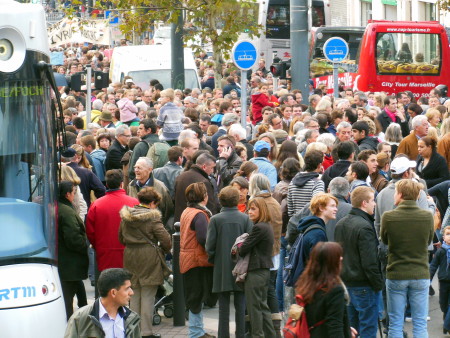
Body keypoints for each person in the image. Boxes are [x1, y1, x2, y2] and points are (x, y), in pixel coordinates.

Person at [380, 179, 434, 337]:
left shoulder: (388, 217)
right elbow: (429, 239)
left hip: (396, 272)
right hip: (420, 273)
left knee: (396, 322)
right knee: (420, 322)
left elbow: (384, 240)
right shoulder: (426, 216)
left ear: (401, 194)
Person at [119, 187, 171, 338]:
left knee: (133, 293)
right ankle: (146, 331)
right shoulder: (153, 217)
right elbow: (166, 240)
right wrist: (164, 249)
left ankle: (134, 330)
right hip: (149, 256)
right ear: (153, 203)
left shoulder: (126, 216)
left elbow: (121, 238)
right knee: (148, 293)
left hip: (130, 255)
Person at [334, 186, 383, 337]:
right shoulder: (364, 227)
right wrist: (378, 284)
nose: (374, 204)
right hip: (363, 285)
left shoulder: (340, 224)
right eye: (372, 200)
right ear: (364, 203)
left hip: (345, 282)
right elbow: (369, 262)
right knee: (368, 327)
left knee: (350, 329)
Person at [205, 186, 253, 338]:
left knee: (223, 307)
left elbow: (209, 246)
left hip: (221, 265)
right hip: (241, 266)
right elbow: (250, 242)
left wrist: (214, 259)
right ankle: (240, 335)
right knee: (240, 304)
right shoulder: (245, 218)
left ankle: (223, 335)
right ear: (237, 199)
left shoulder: (215, 219)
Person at [86, 170, 139, 282]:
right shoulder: (134, 203)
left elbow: (90, 232)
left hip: (105, 252)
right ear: (121, 184)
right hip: (129, 252)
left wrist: (97, 246)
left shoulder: (96, 205)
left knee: (109, 286)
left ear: (107, 184)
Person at [179, 182, 216, 338]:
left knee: (195, 297)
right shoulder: (200, 214)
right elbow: (202, 237)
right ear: (204, 196)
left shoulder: (187, 210)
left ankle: (198, 330)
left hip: (188, 259)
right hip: (196, 261)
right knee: (196, 297)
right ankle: (195, 333)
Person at [295, 242, 354, 338]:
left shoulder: (306, 284)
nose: (341, 258)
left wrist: (346, 329)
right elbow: (335, 327)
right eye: (338, 256)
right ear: (331, 262)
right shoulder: (335, 290)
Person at [238, 197, 277, 337]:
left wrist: (240, 244)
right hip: (264, 271)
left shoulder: (259, 228)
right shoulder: (266, 226)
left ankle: (258, 335)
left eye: (253, 209)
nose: (249, 212)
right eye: (249, 208)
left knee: (254, 308)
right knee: (262, 307)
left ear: (262, 210)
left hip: (256, 272)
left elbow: (242, 250)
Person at [64, 268, 141, 338]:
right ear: (113, 292)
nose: (131, 292)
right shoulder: (80, 318)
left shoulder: (131, 318)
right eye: (127, 288)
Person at [57, 181, 89, 320]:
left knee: (76, 288)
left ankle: (85, 315)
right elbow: (73, 238)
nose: (75, 195)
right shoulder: (67, 211)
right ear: (67, 194)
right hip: (70, 261)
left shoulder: (59, 207)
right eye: (73, 192)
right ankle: (71, 325)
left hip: (67, 262)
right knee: (68, 299)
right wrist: (84, 244)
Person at [174, 153, 220, 222]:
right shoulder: (204, 182)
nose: (212, 171)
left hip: (180, 220)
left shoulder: (180, 177)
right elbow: (210, 207)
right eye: (212, 168)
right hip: (197, 222)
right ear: (204, 166)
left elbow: (174, 199)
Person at [128, 157, 174, 226]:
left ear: (150, 170)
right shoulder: (131, 185)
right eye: (135, 167)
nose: (136, 170)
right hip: (135, 230)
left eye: (139, 168)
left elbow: (168, 211)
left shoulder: (160, 187)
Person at [287, 150, 325, 217]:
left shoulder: (293, 182)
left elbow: (290, 210)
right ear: (319, 165)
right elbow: (317, 204)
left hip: (295, 222)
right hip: (310, 222)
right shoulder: (318, 183)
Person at [430, 225, 450, 334]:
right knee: (443, 304)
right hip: (443, 281)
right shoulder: (441, 251)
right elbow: (433, 266)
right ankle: (446, 319)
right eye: (448, 234)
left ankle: (447, 325)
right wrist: (429, 278)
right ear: (443, 237)